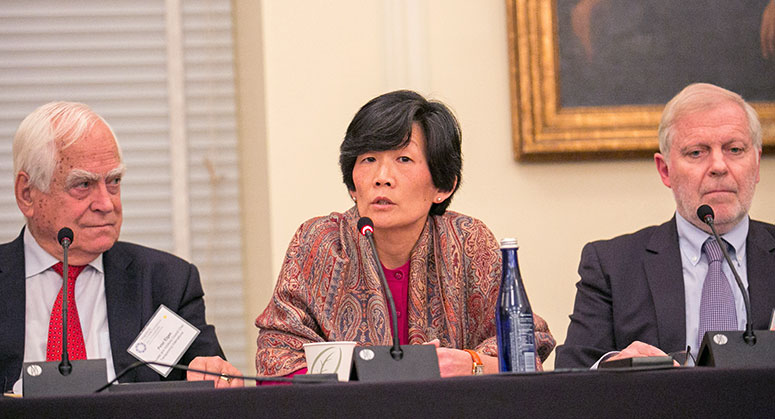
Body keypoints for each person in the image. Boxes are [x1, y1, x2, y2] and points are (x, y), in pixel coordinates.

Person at [255, 90, 555, 378]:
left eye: (404, 160)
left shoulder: (468, 241)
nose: (381, 178)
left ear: (443, 186)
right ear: (352, 184)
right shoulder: (320, 242)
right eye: (368, 160)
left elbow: (523, 351)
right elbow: (277, 356)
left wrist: (470, 363)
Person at [0, 102, 243, 393]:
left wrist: (217, 376)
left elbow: (210, 381)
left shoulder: (166, 283)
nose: (107, 204)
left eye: (114, 181)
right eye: (82, 185)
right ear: (27, 194)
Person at [555, 83, 775, 369]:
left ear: (756, 164)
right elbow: (573, 373)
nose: (719, 165)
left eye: (735, 149)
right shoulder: (612, 265)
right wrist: (614, 366)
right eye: (697, 152)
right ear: (665, 170)